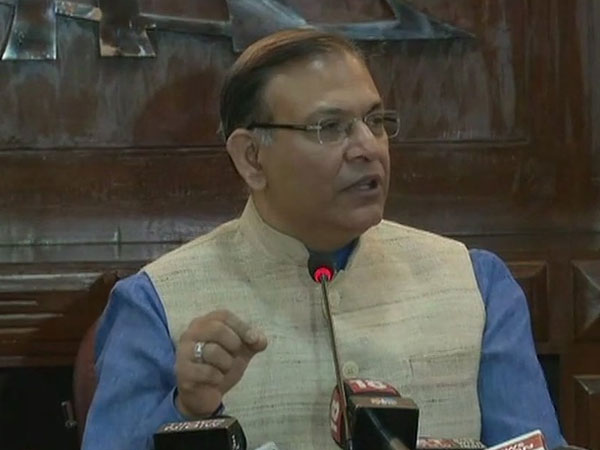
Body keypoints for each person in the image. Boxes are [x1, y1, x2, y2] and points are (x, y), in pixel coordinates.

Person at [82, 28, 565, 450]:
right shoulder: (156, 304)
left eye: (375, 121)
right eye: (330, 127)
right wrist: (187, 409)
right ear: (251, 158)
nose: (367, 148)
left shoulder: (477, 285)